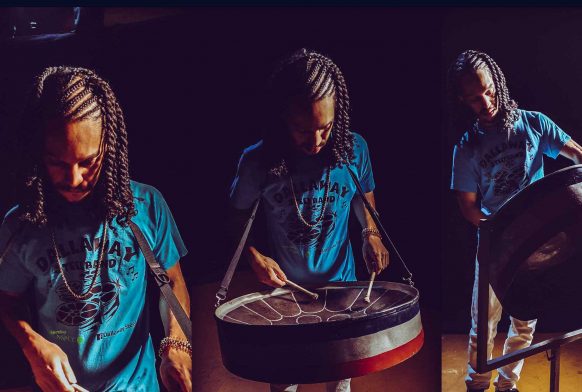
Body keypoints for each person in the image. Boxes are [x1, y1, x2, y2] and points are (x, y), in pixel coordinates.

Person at [0, 66, 192, 392]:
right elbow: (6, 300)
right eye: (58, 162)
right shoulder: (21, 226)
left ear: (109, 148)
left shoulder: (145, 206)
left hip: (136, 384)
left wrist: (177, 342)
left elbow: (171, 282)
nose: (74, 179)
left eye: (88, 162)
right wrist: (32, 344)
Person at [229, 48, 389, 392]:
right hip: (285, 292)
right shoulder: (257, 162)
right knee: (286, 383)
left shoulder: (353, 149)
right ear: (281, 118)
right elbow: (237, 216)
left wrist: (370, 234)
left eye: (325, 128)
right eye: (302, 129)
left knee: (339, 382)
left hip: (342, 287)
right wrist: (253, 256)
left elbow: (364, 197)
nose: (315, 141)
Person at [448, 50, 582, 392]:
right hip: (494, 242)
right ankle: (477, 385)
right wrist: (495, 230)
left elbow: (578, 157)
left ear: (498, 83)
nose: (486, 102)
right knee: (485, 323)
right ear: (463, 100)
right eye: (476, 99)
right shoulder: (467, 147)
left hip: (537, 242)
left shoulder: (534, 122)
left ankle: (508, 385)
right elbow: (467, 206)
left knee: (524, 322)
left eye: (490, 92)